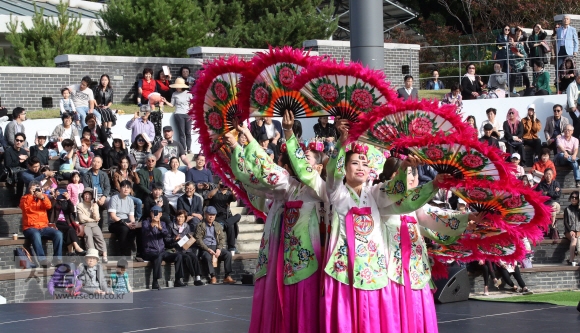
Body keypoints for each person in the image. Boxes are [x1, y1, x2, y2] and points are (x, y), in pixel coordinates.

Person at [321, 116, 453, 333]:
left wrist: (414, 175)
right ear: (344, 169)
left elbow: (396, 190)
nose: (361, 167)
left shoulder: (374, 194)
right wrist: (341, 142)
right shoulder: (337, 193)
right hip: (344, 269)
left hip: (373, 268)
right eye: (355, 163)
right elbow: (333, 174)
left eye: (365, 163)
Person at [142, 205, 186, 289]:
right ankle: (155, 282)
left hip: (162, 251)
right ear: (150, 213)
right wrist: (152, 224)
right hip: (150, 251)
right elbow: (145, 233)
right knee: (157, 256)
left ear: (161, 214)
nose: (156, 215)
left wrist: (160, 228)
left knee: (178, 256)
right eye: (154, 213)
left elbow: (166, 234)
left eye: (158, 213)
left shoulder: (163, 223)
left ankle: (178, 280)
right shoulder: (146, 222)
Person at [20, 180, 62, 267]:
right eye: (33, 188)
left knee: (58, 234)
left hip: (43, 226)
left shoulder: (43, 197)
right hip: (29, 227)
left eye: (37, 188)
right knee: (35, 234)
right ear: (29, 189)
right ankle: (42, 260)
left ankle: (57, 259)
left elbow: (48, 206)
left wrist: (41, 197)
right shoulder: (25, 198)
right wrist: (32, 195)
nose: (36, 190)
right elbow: (25, 207)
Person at [195, 206, 236, 284]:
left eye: (213, 215)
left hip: (216, 246)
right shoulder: (200, 225)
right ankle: (213, 276)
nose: (211, 217)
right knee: (207, 256)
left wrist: (219, 248)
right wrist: (207, 249)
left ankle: (227, 276)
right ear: (205, 214)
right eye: (209, 214)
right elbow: (198, 240)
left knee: (228, 254)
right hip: (205, 248)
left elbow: (222, 238)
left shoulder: (218, 225)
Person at [165, 210, 205, 286]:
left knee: (194, 257)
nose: (180, 219)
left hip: (185, 248)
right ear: (176, 217)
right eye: (179, 216)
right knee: (187, 258)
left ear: (185, 218)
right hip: (176, 249)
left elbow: (188, 238)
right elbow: (166, 239)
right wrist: (174, 239)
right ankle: (193, 276)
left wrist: (189, 240)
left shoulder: (187, 226)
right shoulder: (170, 226)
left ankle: (198, 278)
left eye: (182, 217)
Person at [208, 178, 240, 255]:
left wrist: (230, 188)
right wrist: (218, 187)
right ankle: (232, 247)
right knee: (231, 226)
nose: (224, 185)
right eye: (223, 182)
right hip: (217, 217)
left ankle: (224, 224)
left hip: (226, 217)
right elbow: (209, 195)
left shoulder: (229, 194)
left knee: (238, 216)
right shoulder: (216, 192)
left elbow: (235, 199)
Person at [48, 190, 85, 256]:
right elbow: (50, 208)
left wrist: (68, 199)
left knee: (69, 230)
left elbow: (71, 210)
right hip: (56, 223)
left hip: (66, 222)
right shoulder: (54, 201)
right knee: (70, 229)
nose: (61, 195)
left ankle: (72, 250)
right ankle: (75, 249)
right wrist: (55, 197)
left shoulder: (66, 202)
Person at [77, 188, 108, 263]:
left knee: (99, 236)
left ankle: (104, 255)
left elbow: (97, 217)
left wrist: (94, 208)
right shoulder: (80, 205)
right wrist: (93, 220)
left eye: (89, 195)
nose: (87, 196)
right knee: (88, 236)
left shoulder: (95, 204)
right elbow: (82, 218)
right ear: (83, 195)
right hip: (85, 224)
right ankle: (92, 256)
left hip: (94, 224)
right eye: (86, 194)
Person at [108, 180, 137, 259]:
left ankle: (139, 252)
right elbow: (113, 216)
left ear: (130, 190)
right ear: (120, 188)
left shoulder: (130, 200)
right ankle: (123, 254)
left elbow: (131, 216)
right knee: (124, 229)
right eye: (124, 187)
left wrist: (133, 224)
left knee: (137, 229)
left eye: (128, 188)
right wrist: (125, 223)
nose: (126, 189)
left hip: (126, 222)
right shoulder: (114, 198)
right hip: (115, 223)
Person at [163, 77, 193, 153]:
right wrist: (165, 101)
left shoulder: (188, 93)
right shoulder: (174, 94)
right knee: (181, 132)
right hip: (179, 114)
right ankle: (183, 149)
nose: (176, 88)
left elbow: (192, 103)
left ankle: (189, 148)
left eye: (178, 86)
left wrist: (191, 108)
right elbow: (172, 105)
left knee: (188, 132)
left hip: (188, 114)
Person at [112, 156, 142, 221]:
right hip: (121, 194)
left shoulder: (130, 173)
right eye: (123, 162)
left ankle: (138, 218)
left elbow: (137, 181)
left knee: (139, 202)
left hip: (129, 194)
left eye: (126, 162)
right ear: (120, 164)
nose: (125, 164)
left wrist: (134, 171)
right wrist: (124, 193)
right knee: (137, 201)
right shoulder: (116, 174)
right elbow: (117, 187)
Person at [535, 168, 561, 236]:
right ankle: (552, 227)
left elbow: (558, 195)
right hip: (545, 205)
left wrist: (547, 193)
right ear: (544, 175)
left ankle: (552, 224)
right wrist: (553, 193)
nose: (548, 175)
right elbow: (541, 195)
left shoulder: (556, 183)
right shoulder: (541, 184)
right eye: (546, 174)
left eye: (549, 174)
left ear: (552, 175)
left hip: (555, 204)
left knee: (553, 206)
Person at [563, 191, 580, 265]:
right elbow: (565, 222)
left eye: (576, 198)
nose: (574, 199)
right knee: (574, 239)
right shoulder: (567, 209)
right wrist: (570, 231)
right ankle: (571, 260)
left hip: (579, 231)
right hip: (569, 231)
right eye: (572, 197)